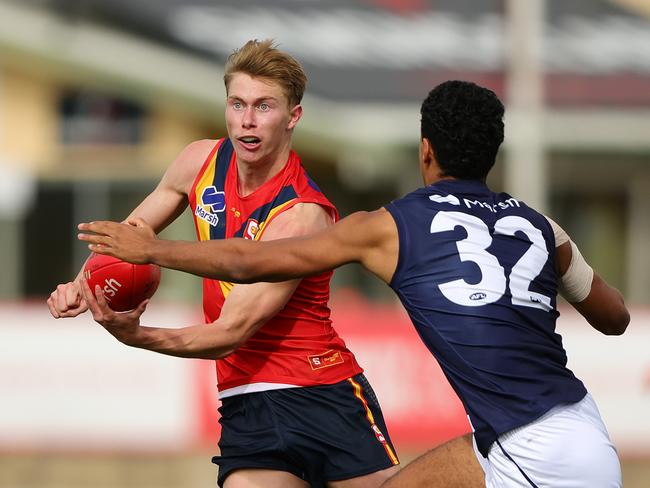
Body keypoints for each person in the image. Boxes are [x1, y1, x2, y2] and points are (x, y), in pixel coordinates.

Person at [78, 80, 631, 488]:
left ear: (425, 150)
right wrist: (565, 266)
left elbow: (254, 261)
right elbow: (615, 319)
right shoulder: (539, 227)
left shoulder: (386, 228)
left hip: (530, 455)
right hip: (577, 432)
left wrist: (153, 249)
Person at [48, 39, 401, 488]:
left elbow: (228, 332)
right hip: (244, 401)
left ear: (293, 116)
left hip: (322, 396)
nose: (247, 121)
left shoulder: (300, 213)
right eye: (237, 104)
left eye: (264, 106)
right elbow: (128, 237)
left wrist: (137, 336)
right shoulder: (199, 161)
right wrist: (82, 285)